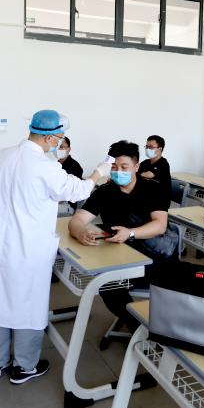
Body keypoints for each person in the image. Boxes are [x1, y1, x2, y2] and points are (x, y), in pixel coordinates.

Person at [0, 110, 109, 383]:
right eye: (59, 138)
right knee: (27, 303)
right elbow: (78, 191)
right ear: (48, 138)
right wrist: (98, 173)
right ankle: (24, 366)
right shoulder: (45, 167)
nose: (59, 143)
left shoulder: (1, 157)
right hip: (27, 247)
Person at [69, 140, 176, 332]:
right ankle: (138, 328)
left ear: (136, 167)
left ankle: (142, 330)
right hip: (119, 258)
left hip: (153, 258)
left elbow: (160, 226)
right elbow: (77, 219)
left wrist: (131, 233)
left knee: (109, 283)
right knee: (106, 284)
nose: (118, 171)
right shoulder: (104, 192)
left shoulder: (153, 189)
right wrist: (80, 232)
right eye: (114, 167)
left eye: (124, 167)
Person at [57, 136, 84, 213]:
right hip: (55, 199)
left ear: (69, 149)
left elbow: (70, 192)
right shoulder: (54, 164)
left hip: (67, 204)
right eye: (57, 147)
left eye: (61, 147)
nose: (58, 149)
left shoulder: (75, 167)